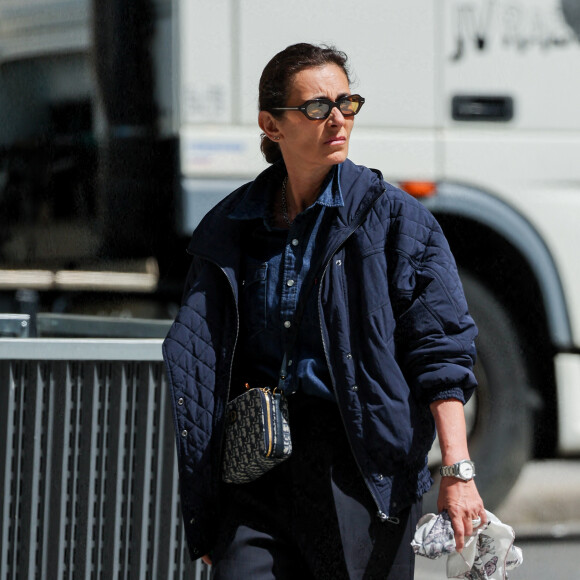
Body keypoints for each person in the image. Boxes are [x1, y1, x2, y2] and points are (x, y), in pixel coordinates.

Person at [163, 42, 486, 579]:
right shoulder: (231, 227)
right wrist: (205, 499)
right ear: (272, 125)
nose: (337, 118)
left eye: (347, 103)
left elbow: (442, 351)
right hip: (258, 463)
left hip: (358, 466)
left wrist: (458, 470)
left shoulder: (397, 222)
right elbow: (201, 357)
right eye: (316, 107)